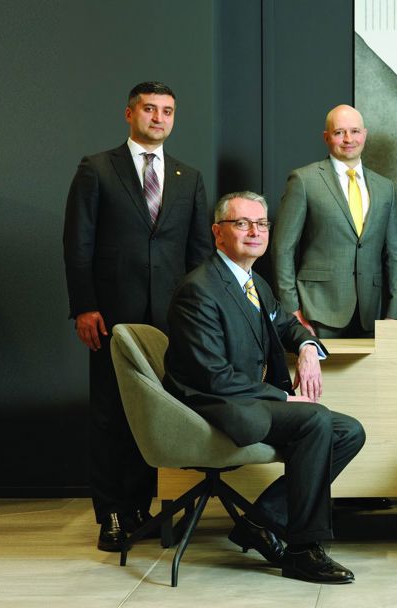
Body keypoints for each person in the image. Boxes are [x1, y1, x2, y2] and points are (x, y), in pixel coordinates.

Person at [163, 192, 363, 583]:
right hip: (213, 405)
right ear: (218, 233)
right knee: (314, 419)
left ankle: (261, 521)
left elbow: (286, 324)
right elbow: (213, 376)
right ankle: (303, 550)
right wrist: (283, 396)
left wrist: (307, 347)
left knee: (349, 431)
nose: (255, 231)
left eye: (262, 224)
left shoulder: (254, 283)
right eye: (242, 223)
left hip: (245, 399)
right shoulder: (199, 289)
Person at [62, 81, 212, 552]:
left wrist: (200, 316)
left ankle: (143, 508)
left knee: (159, 415)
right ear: (129, 114)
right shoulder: (97, 169)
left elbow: (199, 254)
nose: (159, 118)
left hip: (171, 319)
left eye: (167, 111)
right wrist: (84, 306)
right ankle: (111, 514)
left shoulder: (189, 177)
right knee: (112, 415)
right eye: (150, 109)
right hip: (111, 315)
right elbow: (78, 243)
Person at [272, 104, 397, 338]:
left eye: (355, 131)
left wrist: (394, 310)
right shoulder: (303, 180)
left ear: (365, 134)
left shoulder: (386, 188)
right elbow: (282, 249)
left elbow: (395, 253)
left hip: (370, 314)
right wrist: (291, 309)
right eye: (339, 132)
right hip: (317, 310)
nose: (348, 139)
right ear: (326, 137)